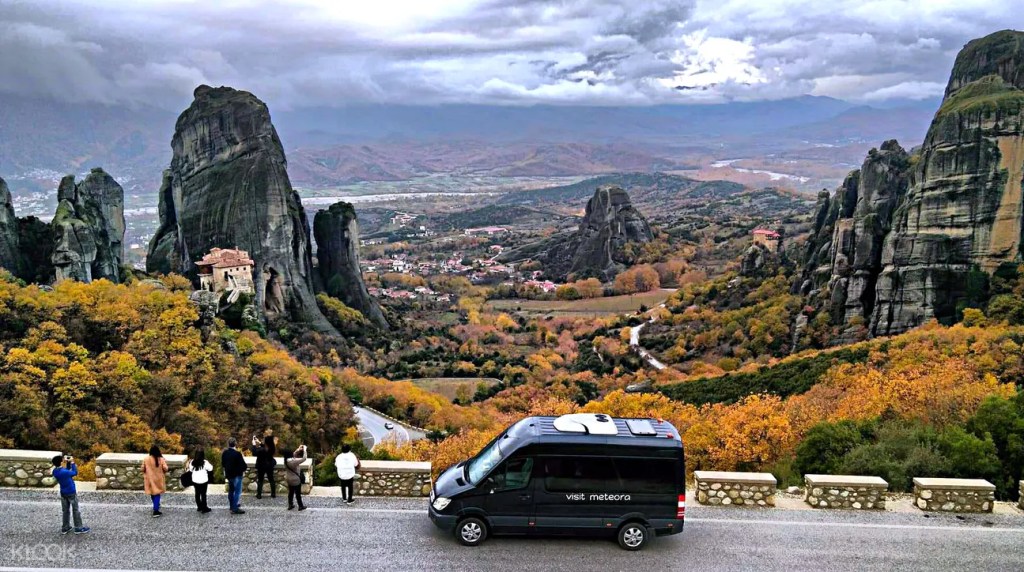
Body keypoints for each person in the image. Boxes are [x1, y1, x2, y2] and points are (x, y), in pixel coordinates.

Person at [52, 454, 89, 535]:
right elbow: (75, 472)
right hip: (71, 492)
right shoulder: (64, 472)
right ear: (61, 462)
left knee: (65, 511)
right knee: (75, 510)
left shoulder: (55, 471)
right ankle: (78, 528)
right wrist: (72, 462)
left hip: (63, 493)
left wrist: (68, 463)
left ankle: (65, 527)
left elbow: (67, 471)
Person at [221, 438, 247, 515]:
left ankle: (231, 505)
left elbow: (223, 464)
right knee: (237, 492)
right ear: (235, 444)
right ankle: (235, 508)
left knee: (231, 491)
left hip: (229, 475)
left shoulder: (224, 453)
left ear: (228, 444)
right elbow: (243, 465)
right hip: (237, 475)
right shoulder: (237, 454)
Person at [142, 445, 169, 517]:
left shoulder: (146, 459)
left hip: (149, 479)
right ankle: (156, 510)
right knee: (157, 494)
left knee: (152, 493)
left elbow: (142, 469)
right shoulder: (161, 459)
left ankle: (155, 505)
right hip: (158, 479)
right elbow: (165, 468)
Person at [187, 448, 213, 514]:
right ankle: (204, 508)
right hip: (203, 480)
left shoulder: (192, 462)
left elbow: (190, 470)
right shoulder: (205, 462)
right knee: (203, 494)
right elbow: (211, 468)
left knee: (197, 493)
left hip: (195, 481)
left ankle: (199, 507)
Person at [252, 433, 277, 499]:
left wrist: (254, 445)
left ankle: (259, 494)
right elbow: (265, 446)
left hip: (261, 466)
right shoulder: (272, 448)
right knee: (271, 479)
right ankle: (273, 494)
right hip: (270, 465)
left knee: (260, 480)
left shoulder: (261, 450)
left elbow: (254, 453)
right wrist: (259, 443)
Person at [283, 445, 307, 511]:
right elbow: (304, 458)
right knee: (298, 494)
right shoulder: (293, 462)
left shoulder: (286, 460)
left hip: (289, 479)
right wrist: (304, 450)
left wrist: (298, 449)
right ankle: (300, 506)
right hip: (295, 479)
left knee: (291, 492)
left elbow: (293, 454)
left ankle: (290, 504)